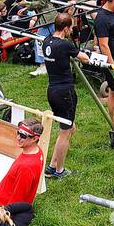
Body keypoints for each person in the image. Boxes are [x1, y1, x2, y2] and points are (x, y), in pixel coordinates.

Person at [42, 13, 89, 180]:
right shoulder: (65, 45)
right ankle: (59, 170)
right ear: (66, 28)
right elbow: (84, 58)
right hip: (65, 92)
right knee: (65, 132)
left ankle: (52, 165)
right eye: (71, 28)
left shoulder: (47, 41)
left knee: (70, 128)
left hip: (52, 90)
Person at [0, 118, 46, 206]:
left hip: (2, 208)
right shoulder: (37, 151)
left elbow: (17, 201)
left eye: (23, 136)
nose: (18, 138)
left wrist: (3, 215)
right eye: (18, 132)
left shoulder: (26, 167)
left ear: (35, 138)